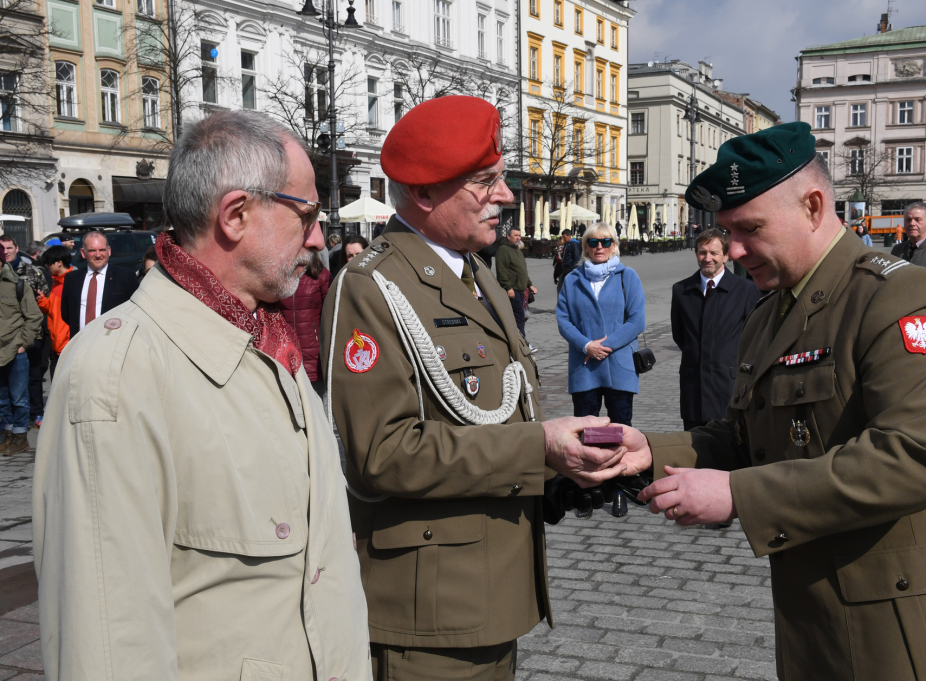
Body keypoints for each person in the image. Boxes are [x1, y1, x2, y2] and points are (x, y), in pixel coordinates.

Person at [611, 122, 926, 680]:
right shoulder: (768, 313)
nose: (735, 249)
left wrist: (739, 496)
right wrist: (647, 450)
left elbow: (914, 456)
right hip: (816, 627)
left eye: (748, 228)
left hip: (905, 636)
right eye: (726, 232)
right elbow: (743, 437)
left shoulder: (897, 295)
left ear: (814, 206)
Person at [34, 109, 372, 680]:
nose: (319, 238)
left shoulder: (269, 341)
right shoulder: (119, 372)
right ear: (236, 215)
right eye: (307, 214)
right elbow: (108, 647)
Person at [321, 95, 630, 680]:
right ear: (425, 193)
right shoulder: (370, 287)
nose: (507, 195)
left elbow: (498, 415)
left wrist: (558, 477)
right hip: (429, 612)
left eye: (502, 177)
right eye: (485, 181)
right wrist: (538, 448)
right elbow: (379, 456)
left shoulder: (477, 272)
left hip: (492, 592)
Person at [671, 228, 761, 431]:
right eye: (702, 252)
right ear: (696, 254)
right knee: (693, 447)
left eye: (714, 253)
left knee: (730, 451)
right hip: (693, 386)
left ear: (726, 256)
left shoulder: (746, 290)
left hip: (728, 386)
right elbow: (680, 335)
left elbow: (755, 337)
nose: (708, 258)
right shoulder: (681, 290)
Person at [556, 222, 645, 426]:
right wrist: (587, 345)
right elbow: (563, 320)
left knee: (621, 431)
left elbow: (637, 321)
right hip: (584, 366)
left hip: (619, 365)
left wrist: (604, 346)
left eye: (605, 242)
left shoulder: (627, 276)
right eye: (593, 242)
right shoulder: (572, 280)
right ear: (586, 247)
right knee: (585, 432)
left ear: (614, 246)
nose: (599, 247)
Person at [0, 236, 50, 429]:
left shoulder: (33, 272)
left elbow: (43, 305)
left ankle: (35, 414)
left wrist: (26, 341)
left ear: (16, 248)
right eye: (2, 248)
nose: (6, 251)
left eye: (9, 247)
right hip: (6, 340)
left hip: (30, 336)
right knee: (5, 388)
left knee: (33, 377)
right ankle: (9, 424)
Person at [0, 253, 42, 455]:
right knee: (2, 399)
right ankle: (8, 434)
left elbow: (34, 316)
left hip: (15, 351)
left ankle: (20, 437)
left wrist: (23, 344)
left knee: (18, 397)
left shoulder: (17, 285)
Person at [60, 231, 139, 339]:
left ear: (109, 251)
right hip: (80, 342)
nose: (98, 255)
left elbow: (135, 312)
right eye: (92, 251)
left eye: (102, 250)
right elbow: (67, 314)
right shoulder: (72, 279)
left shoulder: (126, 276)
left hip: (113, 342)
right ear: (83, 253)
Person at [279, 253, 331, 395]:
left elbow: (330, 314)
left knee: (316, 406)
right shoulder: (279, 276)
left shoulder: (321, 276)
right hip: (286, 352)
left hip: (314, 355)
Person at [34, 246, 73, 387]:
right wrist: (41, 300)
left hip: (67, 347)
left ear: (59, 263)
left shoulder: (73, 282)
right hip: (56, 345)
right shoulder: (56, 283)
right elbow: (52, 310)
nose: (46, 266)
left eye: (48, 263)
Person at [495, 227, 536, 339]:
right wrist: (508, 287)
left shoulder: (517, 249)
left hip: (521, 289)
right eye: (515, 235)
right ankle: (522, 343)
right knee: (519, 317)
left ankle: (519, 341)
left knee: (520, 317)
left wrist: (529, 284)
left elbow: (522, 270)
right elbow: (501, 270)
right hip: (513, 290)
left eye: (519, 235)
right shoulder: (504, 250)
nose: (518, 238)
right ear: (508, 236)